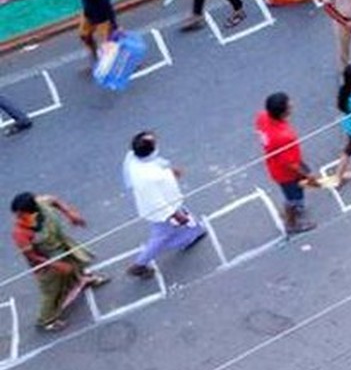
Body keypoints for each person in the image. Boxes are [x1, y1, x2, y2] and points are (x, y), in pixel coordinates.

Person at [10, 192, 109, 332]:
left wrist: (70, 213)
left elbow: (55, 200)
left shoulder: (41, 203)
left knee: (76, 263)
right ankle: (46, 320)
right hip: (45, 262)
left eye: (22, 214)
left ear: (33, 209)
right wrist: (55, 264)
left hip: (62, 246)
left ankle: (83, 280)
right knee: (51, 291)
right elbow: (32, 256)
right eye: (17, 214)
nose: (18, 218)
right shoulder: (20, 233)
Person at [123, 131, 207, 278]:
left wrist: (169, 170)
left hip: (170, 200)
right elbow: (157, 201)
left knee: (178, 223)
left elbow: (157, 163)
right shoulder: (147, 177)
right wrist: (176, 215)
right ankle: (140, 264)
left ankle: (192, 234)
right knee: (161, 236)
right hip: (162, 209)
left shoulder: (133, 157)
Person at [255, 92, 318, 235]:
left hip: (275, 165)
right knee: (294, 197)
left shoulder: (262, 117)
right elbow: (292, 164)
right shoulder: (283, 137)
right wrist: (308, 175)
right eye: (289, 105)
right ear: (283, 112)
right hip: (287, 174)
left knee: (294, 193)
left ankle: (294, 210)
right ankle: (291, 223)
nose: (292, 105)